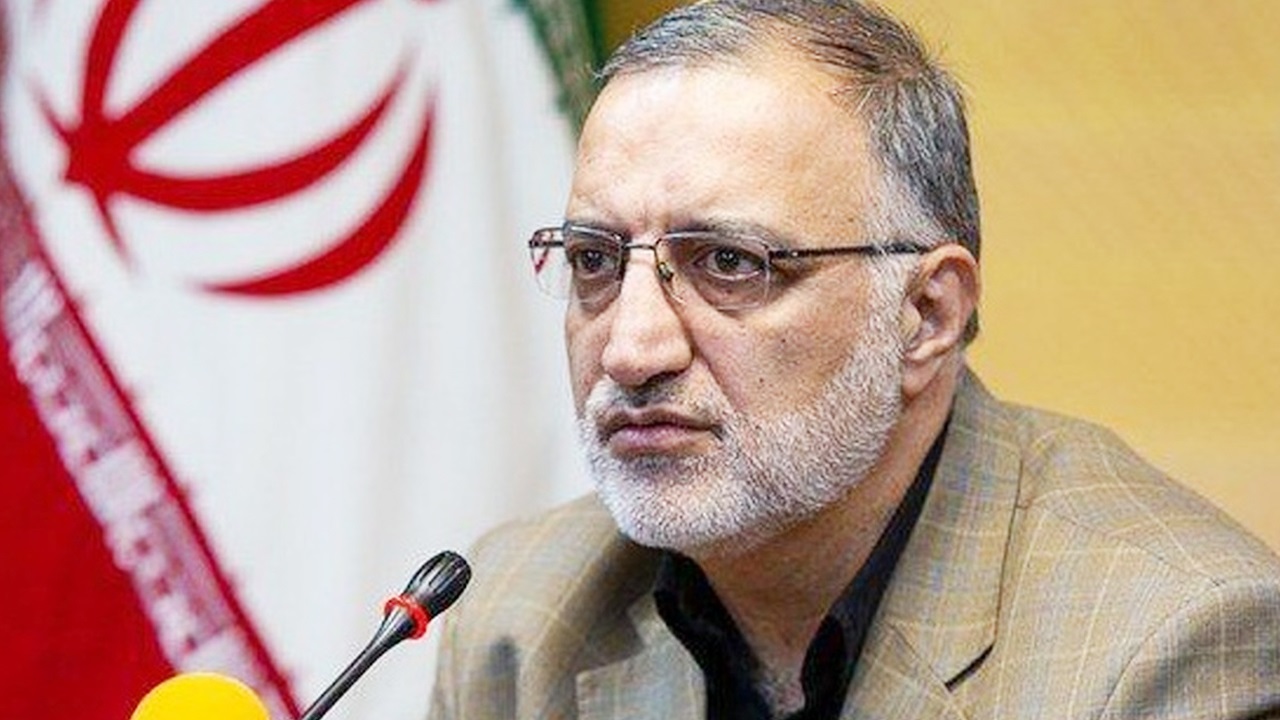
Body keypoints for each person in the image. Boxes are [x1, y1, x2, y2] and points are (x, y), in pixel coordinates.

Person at [428, 1, 1280, 718]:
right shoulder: (518, 621)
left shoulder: (1169, 644)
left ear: (926, 315)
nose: (630, 348)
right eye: (594, 261)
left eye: (730, 263)